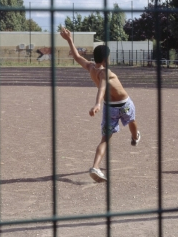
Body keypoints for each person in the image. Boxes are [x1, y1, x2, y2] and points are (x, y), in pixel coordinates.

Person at [60, 27, 141, 182]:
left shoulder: (91, 67)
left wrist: (69, 40)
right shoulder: (106, 72)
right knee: (132, 120)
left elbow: (77, 57)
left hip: (109, 108)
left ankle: (96, 167)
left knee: (105, 138)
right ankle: (135, 136)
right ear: (105, 59)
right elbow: (103, 87)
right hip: (123, 103)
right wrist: (97, 103)